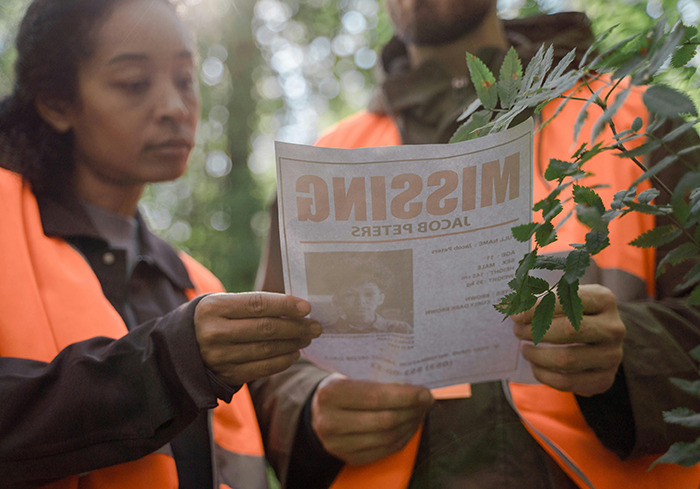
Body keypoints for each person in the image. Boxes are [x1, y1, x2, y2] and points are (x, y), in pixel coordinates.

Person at [254, 1, 700, 488]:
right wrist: (313, 413)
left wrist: (628, 356)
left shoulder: (637, 120)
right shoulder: (320, 169)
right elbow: (270, 367)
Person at [0, 0, 323, 487]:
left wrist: (324, 424)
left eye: (185, 79)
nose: (175, 107)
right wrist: (169, 365)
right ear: (55, 102)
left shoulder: (196, 284)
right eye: (133, 83)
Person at [326, 266, 412, 335]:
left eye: (369, 294)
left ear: (380, 299)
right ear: (338, 300)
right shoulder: (326, 333)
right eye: (350, 295)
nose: (360, 302)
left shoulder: (401, 330)